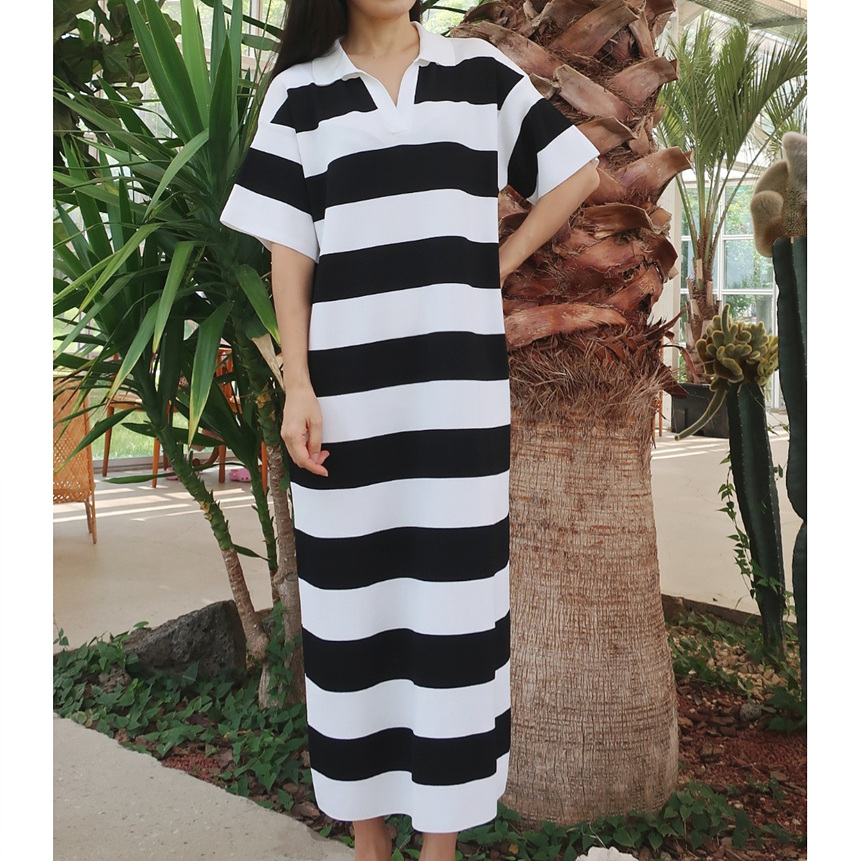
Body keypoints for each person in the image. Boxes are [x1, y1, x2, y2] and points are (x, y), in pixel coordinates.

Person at [219, 2, 599, 859]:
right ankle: (368, 841)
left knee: (454, 614)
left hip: (456, 402)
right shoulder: (301, 94)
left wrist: (493, 265)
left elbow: (575, 172)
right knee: (351, 617)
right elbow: (290, 253)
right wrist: (298, 384)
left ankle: (440, 848)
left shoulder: (478, 74)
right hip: (346, 408)